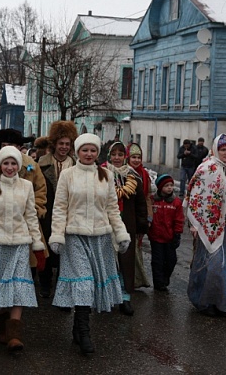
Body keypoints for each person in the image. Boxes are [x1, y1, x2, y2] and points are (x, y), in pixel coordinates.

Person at [49, 133, 130, 355]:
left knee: (90, 285)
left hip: (101, 238)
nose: (89, 154)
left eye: (93, 150)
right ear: (77, 152)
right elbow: (60, 207)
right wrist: (57, 235)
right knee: (83, 283)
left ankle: (78, 327)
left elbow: (112, 209)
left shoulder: (106, 175)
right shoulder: (67, 175)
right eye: (84, 150)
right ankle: (85, 333)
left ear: (97, 153)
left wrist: (121, 234)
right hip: (74, 236)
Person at [0, 146, 45, 353]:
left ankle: (14, 334)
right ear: (0, 165)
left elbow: (31, 216)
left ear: (19, 166)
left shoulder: (26, 186)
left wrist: (38, 246)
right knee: (1, 288)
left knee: (18, 287)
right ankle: (3, 325)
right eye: (6, 163)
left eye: (14, 163)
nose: (10, 167)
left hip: (20, 245)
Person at [186, 133, 226, 317]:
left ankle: (224, 304)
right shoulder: (207, 168)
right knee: (212, 266)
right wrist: (195, 223)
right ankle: (205, 301)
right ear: (216, 149)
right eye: (223, 149)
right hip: (211, 226)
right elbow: (194, 194)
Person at [0, 128, 48, 275]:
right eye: (4, 145)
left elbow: (41, 189)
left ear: (19, 147)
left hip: (25, 221)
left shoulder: (31, 165)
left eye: (12, 145)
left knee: (26, 266)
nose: (8, 149)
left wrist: (35, 208)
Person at [101, 142, 148, 316]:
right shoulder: (100, 174)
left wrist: (141, 226)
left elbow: (141, 204)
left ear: (125, 157)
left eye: (120, 154)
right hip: (105, 225)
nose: (117, 158)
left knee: (125, 263)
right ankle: (106, 297)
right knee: (107, 262)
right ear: (109, 156)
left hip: (127, 226)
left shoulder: (133, 176)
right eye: (114, 154)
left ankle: (125, 298)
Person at [37, 120, 77, 299]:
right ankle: (45, 284)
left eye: (67, 144)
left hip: (69, 213)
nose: (64, 147)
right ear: (54, 143)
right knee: (46, 247)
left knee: (66, 251)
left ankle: (62, 286)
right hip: (47, 212)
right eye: (61, 143)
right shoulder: (42, 163)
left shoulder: (75, 165)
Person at [148, 174, 183, 291]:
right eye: (166, 185)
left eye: (171, 185)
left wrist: (177, 234)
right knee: (157, 261)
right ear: (160, 187)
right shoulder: (153, 200)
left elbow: (179, 220)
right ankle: (159, 283)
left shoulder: (176, 202)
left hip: (170, 237)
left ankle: (165, 278)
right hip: (156, 237)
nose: (169, 188)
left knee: (171, 260)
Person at [127, 143, 153, 289]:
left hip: (140, 216)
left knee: (137, 246)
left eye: (139, 157)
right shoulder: (124, 172)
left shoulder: (144, 174)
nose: (136, 160)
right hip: (127, 215)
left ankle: (136, 279)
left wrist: (148, 216)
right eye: (133, 157)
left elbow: (148, 196)